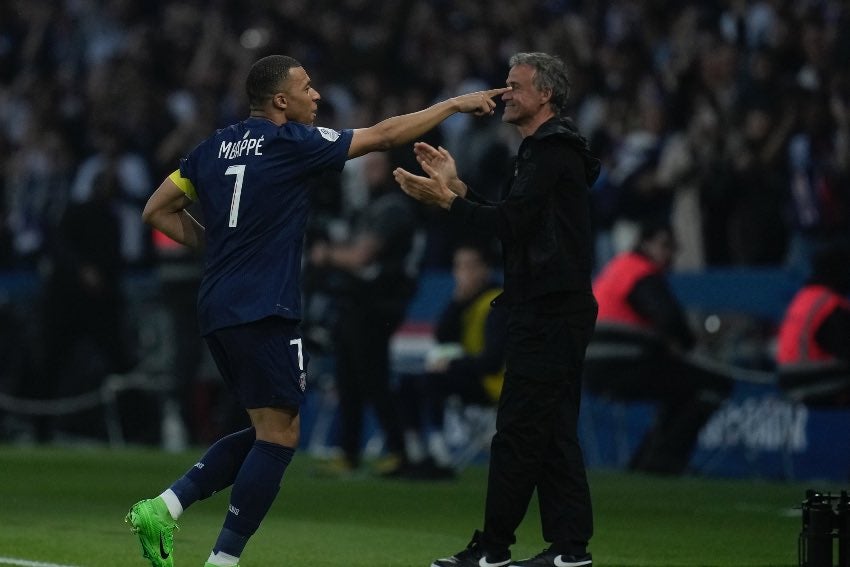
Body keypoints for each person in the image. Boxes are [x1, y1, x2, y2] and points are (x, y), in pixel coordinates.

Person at [125, 53, 508, 567]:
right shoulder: (292, 143)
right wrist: (455, 104)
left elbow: (155, 209)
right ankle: (221, 560)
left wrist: (219, 248)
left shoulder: (210, 148)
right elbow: (385, 134)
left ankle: (165, 507)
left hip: (217, 304)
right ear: (280, 100)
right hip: (264, 305)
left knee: (270, 429)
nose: (317, 96)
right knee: (280, 437)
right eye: (307, 87)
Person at [394, 52, 600, 567]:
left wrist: (449, 203)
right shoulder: (548, 150)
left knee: (515, 434)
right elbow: (517, 218)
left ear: (545, 95)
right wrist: (459, 188)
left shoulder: (550, 150)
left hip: (548, 309)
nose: (504, 93)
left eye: (515, 85)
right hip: (556, 306)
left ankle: (494, 550)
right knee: (551, 433)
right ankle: (569, 552)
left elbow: (510, 225)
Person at [584, 219, 732, 475]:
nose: (669, 255)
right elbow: (668, 317)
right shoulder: (641, 273)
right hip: (623, 364)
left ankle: (648, 461)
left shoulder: (617, 268)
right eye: (665, 246)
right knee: (712, 384)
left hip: (595, 366)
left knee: (678, 390)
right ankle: (665, 460)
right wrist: (687, 344)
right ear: (646, 243)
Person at [308, 151, 420, 476]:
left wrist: (327, 255)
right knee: (349, 381)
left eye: (375, 165)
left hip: (377, 305)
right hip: (356, 303)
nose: (368, 172)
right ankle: (349, 452)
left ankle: (399, 453)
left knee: (374, 380)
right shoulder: (369, 207)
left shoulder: (393, 207)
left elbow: (360, 257)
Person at [397, 239, 507, 479]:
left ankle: (440, 451)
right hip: (472, 374)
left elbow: (493, 361)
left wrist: (453, 364)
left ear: (484, 269)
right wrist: (457, 302)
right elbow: (443, 336)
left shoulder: (497, 303)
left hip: (495, 383)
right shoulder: (466, 302)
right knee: (406, 382)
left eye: (469, 266)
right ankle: (415, 453)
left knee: (433, 379)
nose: (462, 273)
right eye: (458, 267)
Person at [776, 243, 850, 405]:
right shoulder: (830, 305)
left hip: (788, 378)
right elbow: (844, 347)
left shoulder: (805, 297)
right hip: (815, 381)